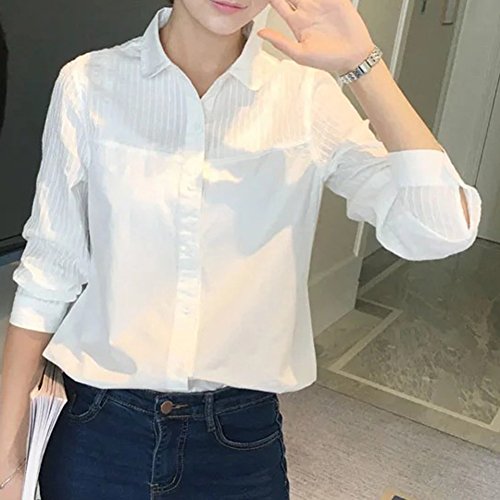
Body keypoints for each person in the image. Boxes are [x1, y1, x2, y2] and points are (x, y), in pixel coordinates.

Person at [0, 0, 482, 498]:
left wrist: (363, 65)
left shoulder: (306, 98)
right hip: (98, 427)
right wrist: (7, 461)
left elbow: (441, 228)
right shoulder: (88, 84)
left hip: (237, 439)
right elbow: (47, 276)